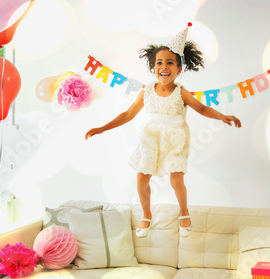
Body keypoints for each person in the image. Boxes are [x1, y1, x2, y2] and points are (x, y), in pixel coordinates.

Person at [85, 23, 241, 238]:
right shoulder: (147, 91)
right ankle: (146, 216)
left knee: (176, 180)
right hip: (151, 138)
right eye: (159, 63)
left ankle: (184, 215)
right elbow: (128, 115)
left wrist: (223, 117)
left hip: (175, 138)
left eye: (170, 63)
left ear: (178, 69)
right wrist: (102, 128)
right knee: (142, 178)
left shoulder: (181, 92)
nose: (164, 67)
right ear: (154, 67)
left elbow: (202, 108)